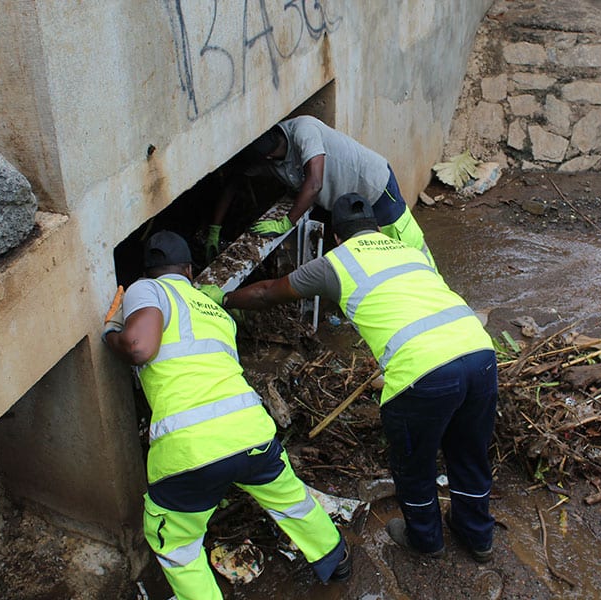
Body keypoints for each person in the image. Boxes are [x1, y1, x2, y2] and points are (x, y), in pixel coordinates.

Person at [220, 194, 498, 561]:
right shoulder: (410, 252)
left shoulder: (335, 263)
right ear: (378, 229)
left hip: (423, 372)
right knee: (469, 454)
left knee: (414, 464)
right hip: (480, 355)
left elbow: (268, 293)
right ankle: (478, 536)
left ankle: (426, 540)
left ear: (336, 236)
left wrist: (220, 299)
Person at [102, 231, 349, 600]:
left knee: (176, 542)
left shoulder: (147, 289)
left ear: (151, 271)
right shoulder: (215, 311)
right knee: (290, 500)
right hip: (252, 434)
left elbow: (139, 346)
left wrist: (111, 331)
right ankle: (336, 559)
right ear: (188, 269)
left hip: (190, 450)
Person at [205, 115, 435, 267]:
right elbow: (234, 182)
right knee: (363, 256)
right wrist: (215, 228)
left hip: (374, 186)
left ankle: (433, 284)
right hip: (342, 203)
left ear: (268, 154)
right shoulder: (263, 156)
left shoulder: (304, 130)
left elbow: (315, 183)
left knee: (403, 244)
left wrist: (287, 222)